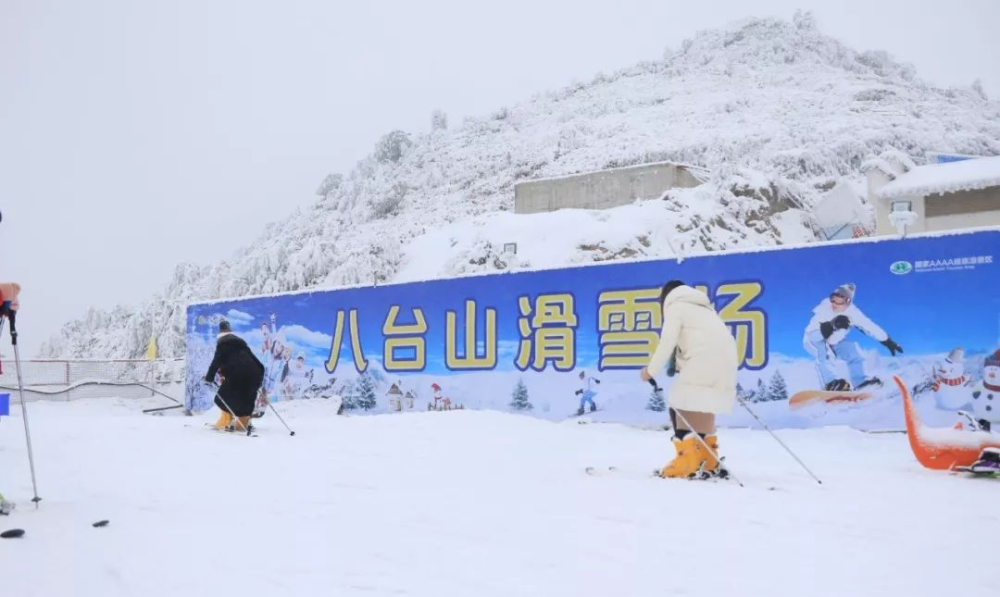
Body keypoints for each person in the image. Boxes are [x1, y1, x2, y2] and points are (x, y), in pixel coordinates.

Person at [641, 280, 738, 479]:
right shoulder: (705, 310)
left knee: (679, 404)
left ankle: (688, 462)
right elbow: (698, 342)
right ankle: (709, 460)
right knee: (703, 403)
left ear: (666, 297)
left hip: (703, 360)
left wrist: (650, 371)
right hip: (727, 360)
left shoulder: (676, 307)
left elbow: (667, 342)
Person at [802, 283, 902, 392]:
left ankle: (861, 382)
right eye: (833, 299)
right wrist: (832, 325)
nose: (834, 303)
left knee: (854, 350)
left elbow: (869, 326)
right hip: (813, 340)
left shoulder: (853, 313)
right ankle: (830, 383)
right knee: (825, 352)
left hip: (835, 342)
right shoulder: (824, 309)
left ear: (848, 301)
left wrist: (887, 341)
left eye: (839, 301)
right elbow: (813, 335)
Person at [205, 319, 266, 431]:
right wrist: (258, 379)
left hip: (238, 375)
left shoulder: (222, 345)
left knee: (222, 398)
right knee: (246, 399)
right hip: (254, 374)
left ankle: (226, 422)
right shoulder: (243, 346)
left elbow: (215, 363)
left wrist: (209, 378)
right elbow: (259, 364)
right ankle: (243, 423)